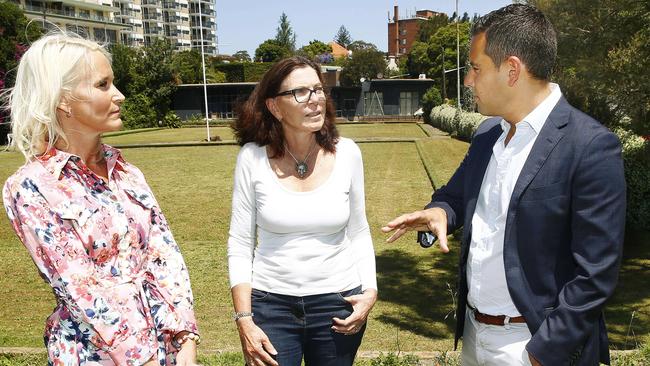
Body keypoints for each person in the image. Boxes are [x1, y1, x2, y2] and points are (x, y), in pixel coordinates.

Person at [382, 4, 625, 366]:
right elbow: (456, 196)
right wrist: (439, 212)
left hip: (533, 345)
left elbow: (596, 272)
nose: (467, 80)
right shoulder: (486, 135)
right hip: (474, 338)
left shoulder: (590, 147)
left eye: (475, 68)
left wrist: (543, 353)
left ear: (512, 70)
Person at [2, 32, 200, 365]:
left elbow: (165, 257)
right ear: (63, 99)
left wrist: (186, 339)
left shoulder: (127, 173)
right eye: (102, 85)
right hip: (95, 354)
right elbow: (78, 286)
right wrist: (143, 360)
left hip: (165, 346)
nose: (119, 95)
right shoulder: (32, 186)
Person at [228, 56, 377, 366]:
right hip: (271, 306)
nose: (315, 100)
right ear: (274, 106)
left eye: (318, 89)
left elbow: (359, 231)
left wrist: (370, 292)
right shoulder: (251, 158)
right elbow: (240, 243)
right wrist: (244, 318)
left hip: (338, 304)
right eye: (301, 92)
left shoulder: (348, 153)